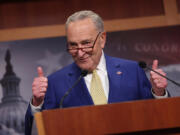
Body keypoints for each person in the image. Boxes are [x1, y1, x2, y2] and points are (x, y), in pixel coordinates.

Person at [25, 10, 168, 135]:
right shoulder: (56, 83)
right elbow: (34, 131)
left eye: (86, 43)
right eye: (73, 45)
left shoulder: (132, 71)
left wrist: (159, 93)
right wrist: (37, 103)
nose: (80, 53)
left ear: (102, 39)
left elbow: (160, 120)